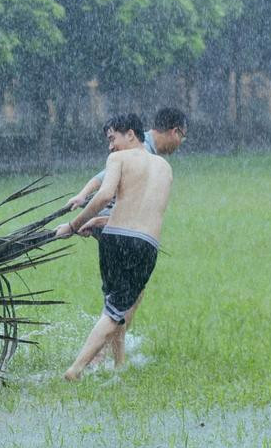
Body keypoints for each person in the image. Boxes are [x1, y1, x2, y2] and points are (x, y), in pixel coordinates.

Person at [55, 114, 172, 380]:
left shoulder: (118, 159)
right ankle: (98, 367)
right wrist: (95, 221)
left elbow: (105, 195)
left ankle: (95, 367)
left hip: (116, 238)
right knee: (120, 306)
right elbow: (146, 212)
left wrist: (73, 226)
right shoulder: (165, 168)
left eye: (112, 139)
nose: (110, 146)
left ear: (130, 134)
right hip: (146, 245)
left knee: (115, 306)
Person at [65, 107, 186, 236]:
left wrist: (83, 197)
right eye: (183, 137)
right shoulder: (142, 150)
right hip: (130, 234)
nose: (111, 147)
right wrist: (81, 218)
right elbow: (110, 194)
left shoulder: (141, 145)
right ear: (174, 132)